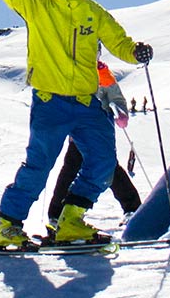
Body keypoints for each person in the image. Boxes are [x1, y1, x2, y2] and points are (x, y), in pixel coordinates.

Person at [0, 0, 153, 249]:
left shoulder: (92, 12)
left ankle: (71, 220)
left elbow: (118, 41)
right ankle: (8, 225)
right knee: (40, 164)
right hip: (51, 102)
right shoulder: (36, 6)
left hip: (88, 103)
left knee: (104, 161)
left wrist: (135, 52)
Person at [47, 61, 141, 230]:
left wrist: (120, 113)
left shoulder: (102, 73)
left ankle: (133, 209)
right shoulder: (70, 69)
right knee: (72, 168)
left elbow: (116, 97)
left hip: (99, 132)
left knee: (108, 168)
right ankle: (56, 213)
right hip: (78, 132)